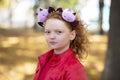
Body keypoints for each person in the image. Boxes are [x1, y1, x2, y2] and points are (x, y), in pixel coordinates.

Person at [34, 7, 88, 80]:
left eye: (59, 32)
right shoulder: (44, 60)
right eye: (48, 32)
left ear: (72, 35)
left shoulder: (74, 68)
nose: (52, 37)